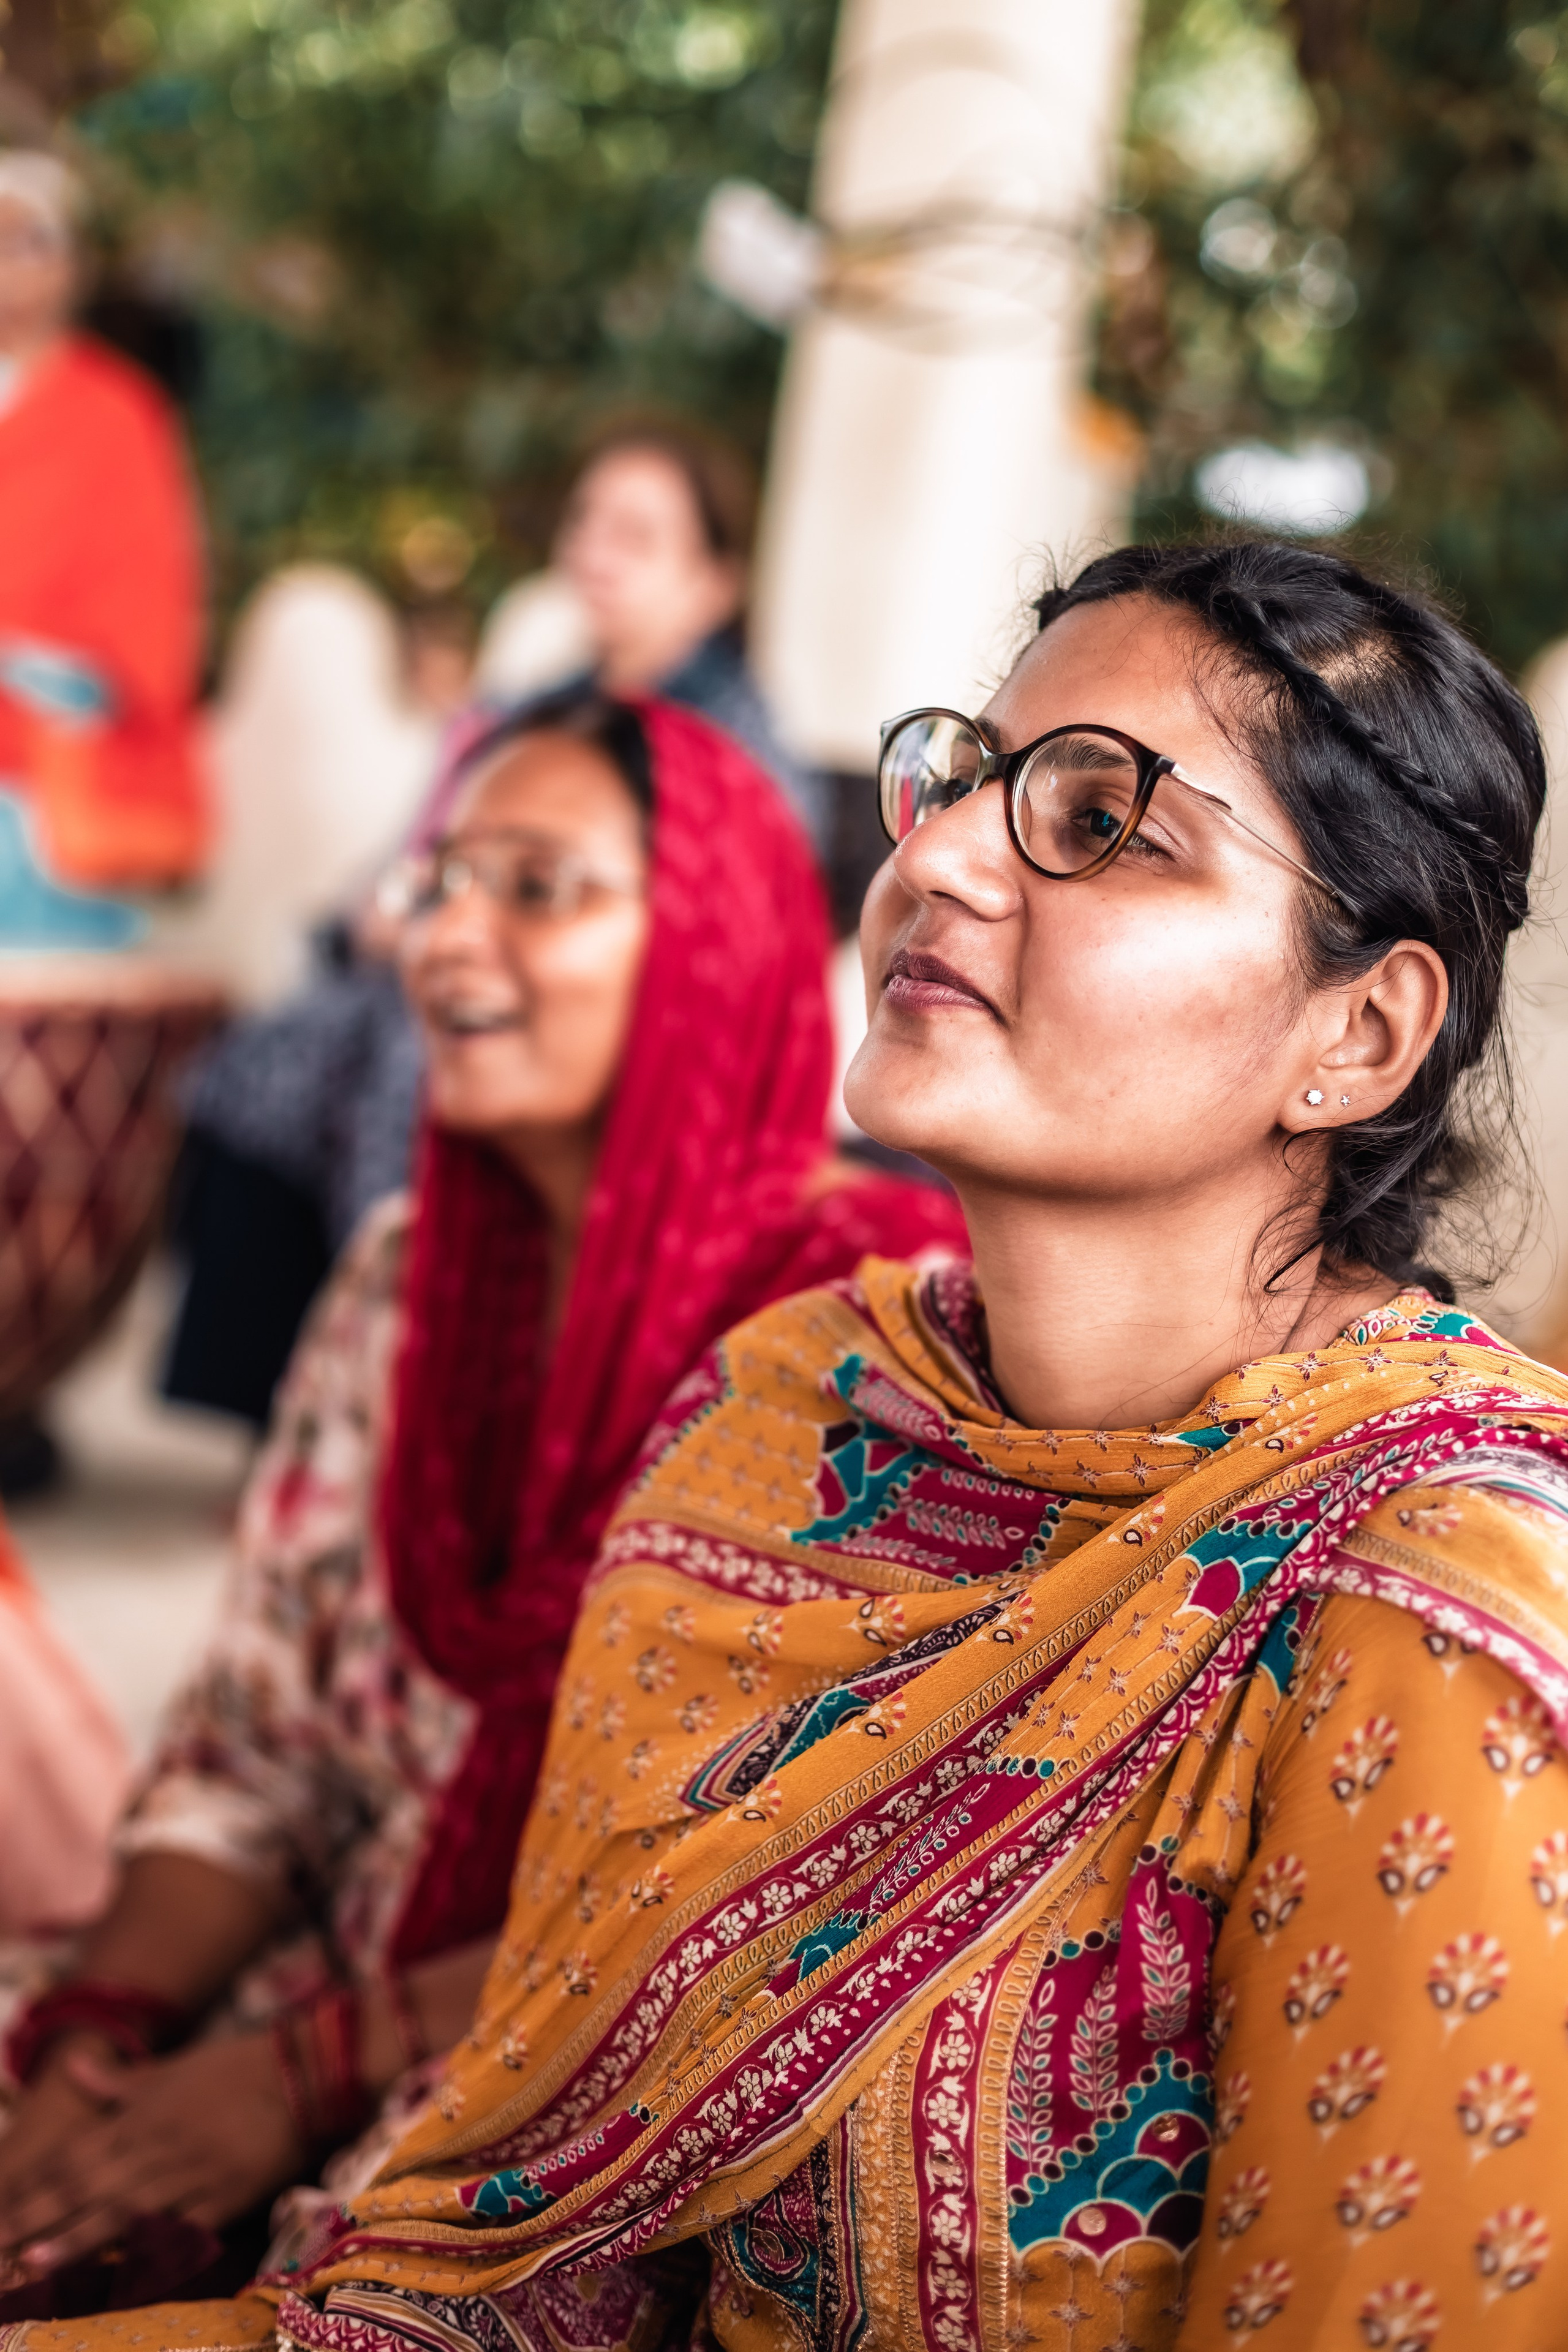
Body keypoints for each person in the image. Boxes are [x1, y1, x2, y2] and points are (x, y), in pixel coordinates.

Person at [22, 537, 1568, 2352]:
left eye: (1104, 822)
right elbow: (533, 2237)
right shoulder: (793, 1412)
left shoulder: (1428, 1603)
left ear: (1359, 1032)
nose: (936, 853)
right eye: (973, 779)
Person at [0, 693, 967, 2313]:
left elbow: (770, 1886)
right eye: (441, 881)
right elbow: (261, 1756)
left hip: (592, 2068)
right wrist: (94, 2041)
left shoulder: (872, 1341)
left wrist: (305, 2075)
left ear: (715, 941)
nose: (448, 938)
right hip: (324, 1980)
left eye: (537, 887)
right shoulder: (403, 1285)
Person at [161, 424, 829, 1433]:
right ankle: (302, 1414)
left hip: (624, 1021)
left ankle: (408, 1403)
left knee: (407, 1052)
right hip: (440, 973)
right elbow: (407, 861)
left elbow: (735, 941)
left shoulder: (738, 752)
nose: (598, 552)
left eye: (638, 535)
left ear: (714, 582)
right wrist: (393, 914)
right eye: (590, 523)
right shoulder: (524, 716)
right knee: (275, 1056)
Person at [0, 149, 206, 938]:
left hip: (58, 751)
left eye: (34, 242)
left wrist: (46, 670)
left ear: (73, 267)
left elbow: (151, 596)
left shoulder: (119, 414)